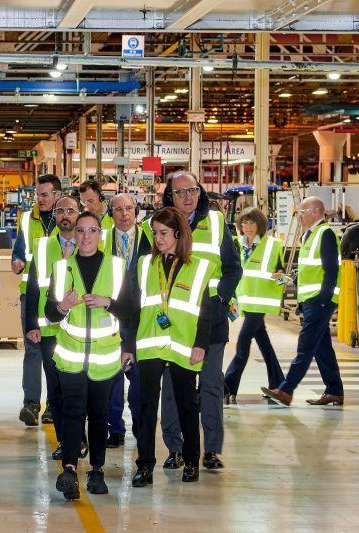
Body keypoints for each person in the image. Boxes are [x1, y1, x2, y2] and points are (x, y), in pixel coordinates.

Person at [144, 171, 241, 471]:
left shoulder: (215, 223)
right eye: (180, 192)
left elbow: (233, 269)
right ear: (169, 197)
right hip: (172, 324)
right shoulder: (157, 227)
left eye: (193, 190)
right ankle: (176, 448)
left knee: (211, 386)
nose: (188, 197)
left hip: (210, 321)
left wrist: (220, 299)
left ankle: (211, 450)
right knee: (173, 389)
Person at [46, 212, 134, 499]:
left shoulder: (118, 268)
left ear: (100, 234)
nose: (85, 236)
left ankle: (96, 470)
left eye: (92, 230)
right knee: (72, 412)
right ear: (75, 235)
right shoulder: (62, 268)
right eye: (81, 231)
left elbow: (132, 311)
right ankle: (69, 469)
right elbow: (48, 313)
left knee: (98, 415)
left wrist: (108, 303)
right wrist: (62, 305)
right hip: (71, 355)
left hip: (105, 356)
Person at [126, 207, 215, 486]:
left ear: (178, 233)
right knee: (145, 407)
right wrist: (128, 345)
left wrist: (201, 344)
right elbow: (131, 308)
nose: (158, 238)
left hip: (183, 346)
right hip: (149, 345)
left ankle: (191, 461)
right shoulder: (144, 265)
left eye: (163, 233)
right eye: (154, 233)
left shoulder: (199, 266)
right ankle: (145, 466)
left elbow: (207, 310)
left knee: (187, 406)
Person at [262, 196, 344, 407]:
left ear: (315, 212)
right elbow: (310, 272)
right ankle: (334, 391)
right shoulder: (310, 235)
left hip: (319, 301)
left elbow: (331, 270)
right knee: (322, 348)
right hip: (311, 301)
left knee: (305, 346)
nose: (299, 216)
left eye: (302, 212)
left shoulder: (324, 234)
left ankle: (286, 390)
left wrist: (324, 300)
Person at [25, 194, 85, 460]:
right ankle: (64, 440)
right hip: (50, 329)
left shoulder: (92, 243)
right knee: (57, 389)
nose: (65, 216)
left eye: (70, 211)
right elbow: (31, 288)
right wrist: (30, 324)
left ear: (78, 213)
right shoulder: (42, 246)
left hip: (82, 329)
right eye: (60, 211)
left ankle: (80, 437)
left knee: (80, 387)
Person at [102, 193, 151, 448]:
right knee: (112, 376)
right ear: (111, 213)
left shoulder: (151, 238)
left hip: (142, 316)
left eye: (129, 208)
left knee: (139, 377)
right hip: (110, 314)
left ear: (137, 212)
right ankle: (115, 429)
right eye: (118, 209)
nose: (124, 214)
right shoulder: (102, 239)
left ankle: (141, 425)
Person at [224, 207, 286, 404]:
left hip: (260, 302)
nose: (247, 227)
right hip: (245, 301)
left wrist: (280, 277)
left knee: (243, 343)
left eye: (251, 223)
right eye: (244, 223)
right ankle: (279, 385)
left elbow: (282, 275)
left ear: (260, 225)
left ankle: (228, 385)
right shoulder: (237, 244)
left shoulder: (273, 245)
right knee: (264, 344)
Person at [13, 174, 61, 426]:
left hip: (59, 295)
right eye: (37, 194)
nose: (39, 199)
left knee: (57, 351)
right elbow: (18, 252)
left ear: (56, 195)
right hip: (31, 293)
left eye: (44, 194)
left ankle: (54, 403)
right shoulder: (26, 219)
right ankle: (31, 403)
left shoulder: (67, 218)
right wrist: (17, 262)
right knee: (32, 349)